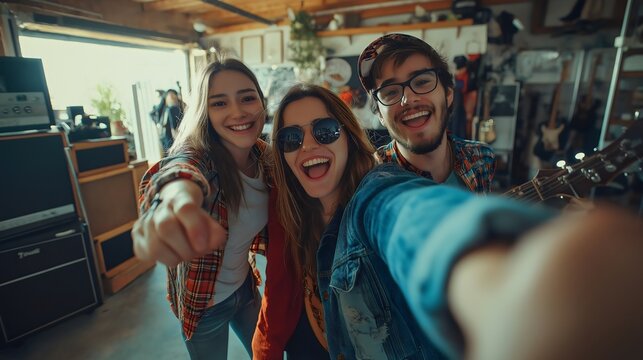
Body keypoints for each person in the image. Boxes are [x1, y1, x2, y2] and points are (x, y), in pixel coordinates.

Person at [254, 83, 643, 359]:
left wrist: (502, 288)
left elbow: (414, 218)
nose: (308, 146)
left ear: (349, 138)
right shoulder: (293, 217)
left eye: (324, 131)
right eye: (291, 138)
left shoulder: (375, 195)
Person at [132, 58, 277, 360]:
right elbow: (179, 171)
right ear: (204, 112)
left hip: (245, 289)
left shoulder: (265, 158)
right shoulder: (201, 158)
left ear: (262, 102)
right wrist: (175, 201)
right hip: (204, 303)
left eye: (247, 98)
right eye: (219, 103)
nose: (238, 112)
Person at [358, 33, 496, 193]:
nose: (408, 99)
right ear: (380, 115)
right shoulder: (369, 183)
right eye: (390, 92)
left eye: (422, 82)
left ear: (448, 94)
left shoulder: (481, 158)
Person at [159, 89, 184, 154]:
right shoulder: (169, 109)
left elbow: (174, 129)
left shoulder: (171, 109)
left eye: (172, 95)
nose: (171, 97)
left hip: (171, 142)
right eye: (169, 96)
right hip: (172, 141)